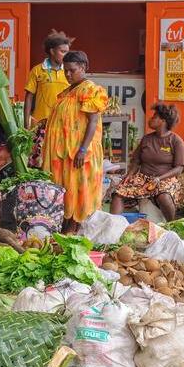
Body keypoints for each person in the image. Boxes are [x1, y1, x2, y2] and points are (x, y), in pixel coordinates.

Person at [42, 50, 108, 233]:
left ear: (84, 67)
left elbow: (93, 121)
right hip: (63, 153)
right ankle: (64, 224)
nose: (68, 74)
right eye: (65, 71)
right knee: (64, 189)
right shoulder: (67, 92)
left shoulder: (90, 90)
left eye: (72, 70)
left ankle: (75, 227)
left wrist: (83, 149)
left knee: (78, 189)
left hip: (79, 153)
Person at [110, 103, 184, 221]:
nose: (151, 119)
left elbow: (179, 168)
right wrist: (129, 175)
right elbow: (136, 161)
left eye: (154, 117)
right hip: (143, 178)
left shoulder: (176, 141)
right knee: (118, 193)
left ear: (163, 121)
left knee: (163, 197)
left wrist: (159, 179)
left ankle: (172, 225)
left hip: (166, 179)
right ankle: (113, 225)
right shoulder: (146, 139)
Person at [25, 30, 72, 168]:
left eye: (67, 52)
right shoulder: (37, 70)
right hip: (40, 125)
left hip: (63, 124)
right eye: (62, 51)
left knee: (58, 162)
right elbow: (29, 97)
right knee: (38, 162)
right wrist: (26, 123)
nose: (66, 55)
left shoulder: (69, 72)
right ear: (52, 51)